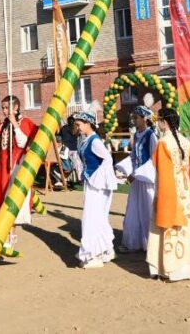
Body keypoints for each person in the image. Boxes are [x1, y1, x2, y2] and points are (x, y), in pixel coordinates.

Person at [147, 108, 190, 281]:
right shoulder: (185, 141)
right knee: (188, 228)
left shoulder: (163, 143)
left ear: (164, 122)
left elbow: (161, 171)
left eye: (159, 120)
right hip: (185, 191)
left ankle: (170, 268)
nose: (158, 123)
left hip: (169, 190)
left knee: (168, 226)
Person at [0, 95, 37, 246]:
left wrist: (15, 124)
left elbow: (23, 143)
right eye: (3, 108)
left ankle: (11, 237)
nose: (4, 110)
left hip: (16, 166)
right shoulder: (4, 124)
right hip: (1, 168)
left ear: (16, 108)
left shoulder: (24, 122)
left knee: (11, 201)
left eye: (7, 107)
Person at [72, 111, 118, 269]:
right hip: (91, 184)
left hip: (97, 186)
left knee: (92, 218)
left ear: (88, 124)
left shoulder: (95, 141)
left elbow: (107, 159)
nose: (77, 127)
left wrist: (96, 178)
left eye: (79, 124)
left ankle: (94, 255)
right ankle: (105, 250)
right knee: (96, 217)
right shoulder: (85, 140)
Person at [116, 106, 157, 253]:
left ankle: (152, 244)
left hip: (146, 178)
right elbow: (134, 156)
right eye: (134, 117)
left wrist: (138, 173)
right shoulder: (137, 135)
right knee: (133, 208)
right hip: (136, 178)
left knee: (148, 209)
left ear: (145, 119)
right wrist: (127, 170)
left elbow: (153, 158)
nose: (134, 120)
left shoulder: (151, 135)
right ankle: (134, 242)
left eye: (136, 117)